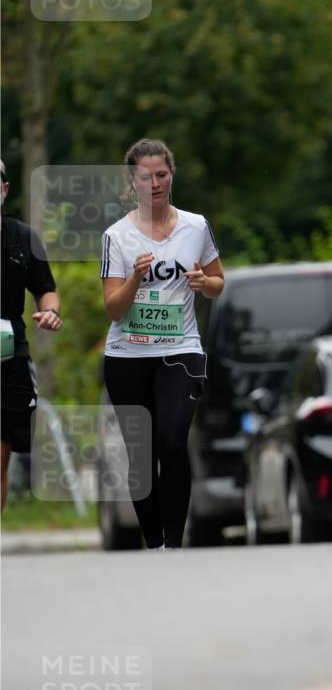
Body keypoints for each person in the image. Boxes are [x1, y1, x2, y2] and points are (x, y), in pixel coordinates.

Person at [100, 138, 224, 549]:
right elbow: (114, 310)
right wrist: (135, 278)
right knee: (141, 454)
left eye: (161, 175)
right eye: (145, 177)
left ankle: (173, 542)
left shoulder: (196, 226)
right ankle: (152, 543)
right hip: (128, 355)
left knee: (171, 441)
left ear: (172, 175)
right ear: (131, 182)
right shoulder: (117, 237)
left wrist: (204, 283)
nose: (154, 183)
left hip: (181, 349)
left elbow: (218, 283)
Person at [1, 158, 63, 512]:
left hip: (8, 360)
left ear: (5, 189)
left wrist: (51, 312)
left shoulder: (24, 237)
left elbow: (46, 289)